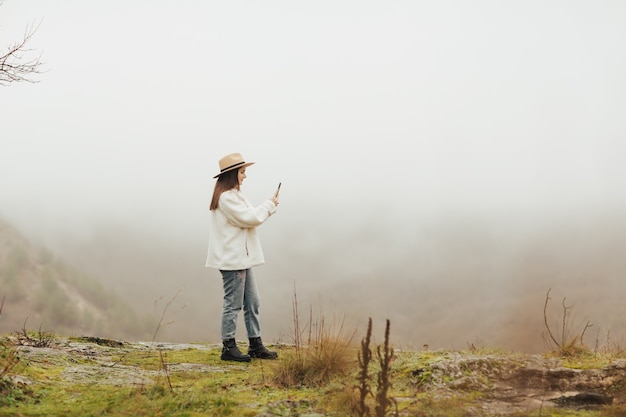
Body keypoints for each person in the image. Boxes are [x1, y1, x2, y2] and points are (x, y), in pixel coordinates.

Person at [206, 152, 280, 362]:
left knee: (252, 301)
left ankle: (255, 344)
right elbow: (250, 218)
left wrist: (268, 206)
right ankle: (228, 347)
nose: (245, 176)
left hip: (240, 258)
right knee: (234, 303)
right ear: (233, 174)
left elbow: (249, 218)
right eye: (242, 172)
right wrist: (270, 205)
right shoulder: (227, 198)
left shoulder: (232, 195)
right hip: (233, 259)